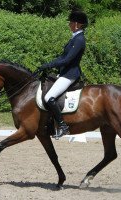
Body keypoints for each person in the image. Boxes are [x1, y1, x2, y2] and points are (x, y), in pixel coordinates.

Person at [37, 10, 88, 139]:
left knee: (49, 97)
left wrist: (48, 66)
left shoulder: (80, 40)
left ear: (77, 24)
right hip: (65, 73)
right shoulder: (75, 37)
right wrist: (47, 64)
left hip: (70, 75)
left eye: (70, 22)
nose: (69, 24)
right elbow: (62, 57)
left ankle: (63, 126)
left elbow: (67, 60)